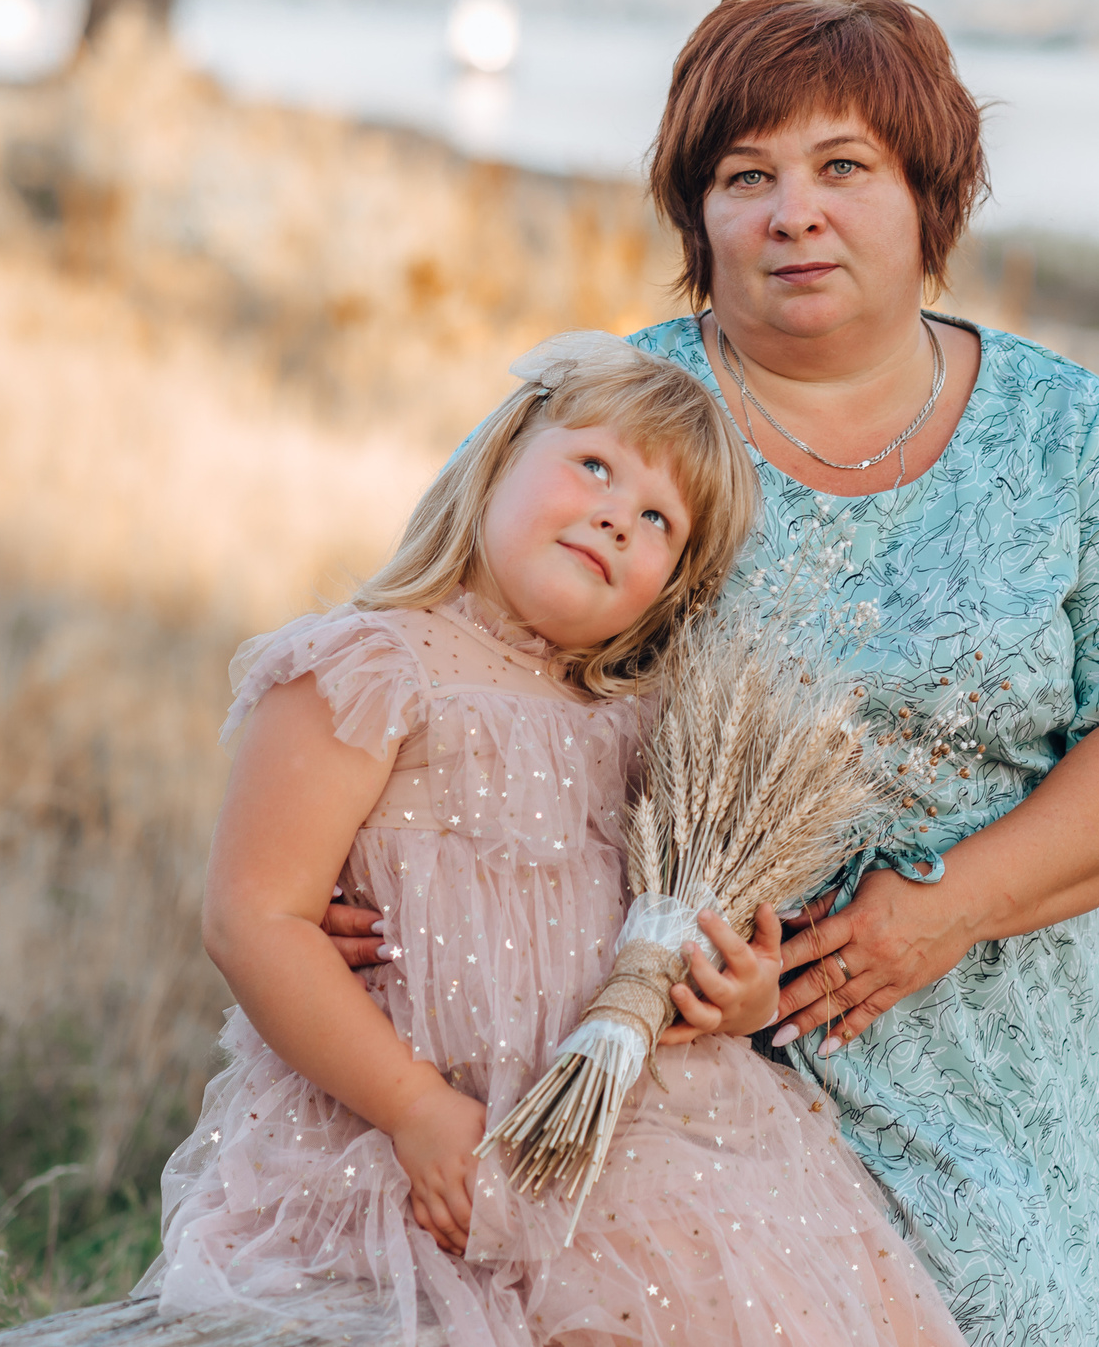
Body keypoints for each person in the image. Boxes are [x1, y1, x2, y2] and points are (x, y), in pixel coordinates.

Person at [330, 0, 1099, 1345]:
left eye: (845, 168)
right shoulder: (612, 413)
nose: (794, 212)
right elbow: (431, 651)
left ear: (928, 198)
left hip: (1014, 1039)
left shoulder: (1067, 432)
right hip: (662, 1027)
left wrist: (943, 907)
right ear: (699, 218)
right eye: (745, 176)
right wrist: (375, 859)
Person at [138, 336, 965, 1347]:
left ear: (671, 587)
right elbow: (253, 915)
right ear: (500, 456)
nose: (619, 512)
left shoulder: (651, 725)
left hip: (647, 1136)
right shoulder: (368, 667)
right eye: (595, 465)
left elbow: (685, 926)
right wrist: (414, 1109)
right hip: (414, 1133)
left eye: (659, 518)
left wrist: (736, 994)